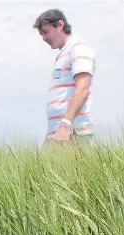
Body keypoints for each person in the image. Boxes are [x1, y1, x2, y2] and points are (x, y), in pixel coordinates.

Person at [34, 9, 96, 145]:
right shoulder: (62, 54)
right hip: (58, 133)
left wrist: (66, 123)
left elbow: (83, 87)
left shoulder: (79, 48)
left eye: (45, 32)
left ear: (60, 25)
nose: (44, 38)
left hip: (73, 133)